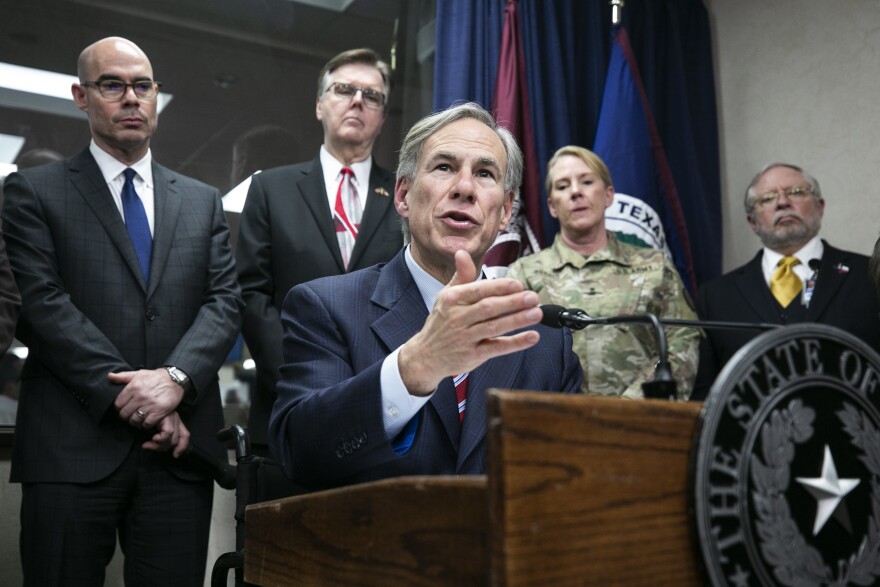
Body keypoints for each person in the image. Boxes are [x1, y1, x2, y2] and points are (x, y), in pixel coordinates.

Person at [1, 37, 242, 585]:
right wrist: (141, 402)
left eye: (143, 86)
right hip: (70, 449)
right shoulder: (33, 193)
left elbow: (225, 301)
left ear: (156, 96)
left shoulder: (202, 200)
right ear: (81, 97)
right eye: (112, 85)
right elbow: (42, 306)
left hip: (177, 459)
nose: (131, 98)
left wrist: (176, 381)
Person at [269, 102, 582, 490]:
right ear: (403, 195)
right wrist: (413, 368)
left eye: (484, 173)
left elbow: (571, 481)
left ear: (504, 213)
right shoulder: (326, 307)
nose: (464, 188)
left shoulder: (548, 342)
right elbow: (300, 454)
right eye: (444, 167)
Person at [236, 48, 403, 454]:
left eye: (372, 95)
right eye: (344, 89)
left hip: (386, 413)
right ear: (319, 105)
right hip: (287, 406)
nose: (358, 100)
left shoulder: (407, 194)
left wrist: (372, 387)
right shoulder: (270, 189)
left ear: (381, 116)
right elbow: (251, 296)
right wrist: (303, 378)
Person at [507, 146, 699, 400]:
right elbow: (510, 356)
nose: (576, 192)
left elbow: (682, 340)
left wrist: (631, 405)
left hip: (641, 423)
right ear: (552, 206)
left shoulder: (655, 266)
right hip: (554, 424)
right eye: (563, 186)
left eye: (587, 182)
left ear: (608, 196)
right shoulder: (524, 273)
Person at [693, 163, 880, 400]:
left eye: (796, 192)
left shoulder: (869, 275)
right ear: (752, 221)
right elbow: (704, 396)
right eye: (768, 198)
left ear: (820, 207)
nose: (782, 203)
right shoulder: (715, 296)